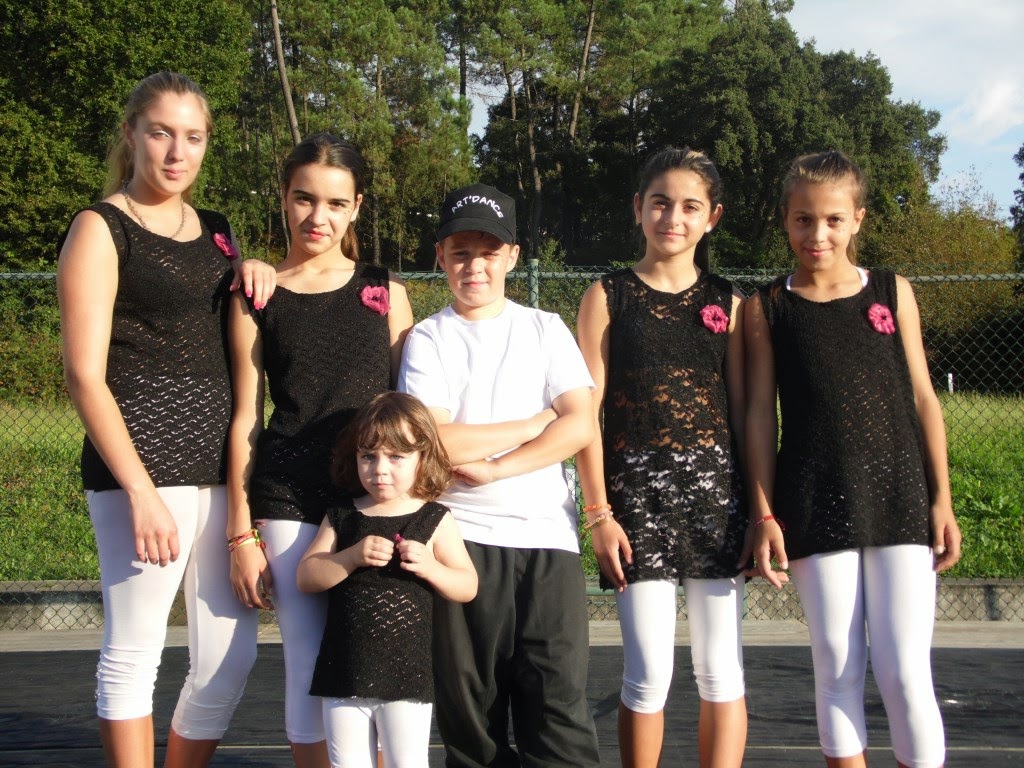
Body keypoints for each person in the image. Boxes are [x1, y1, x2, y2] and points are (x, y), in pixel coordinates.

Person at [57, 71, 278, 767]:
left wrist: (257, 268)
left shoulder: (217, 231)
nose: (177, 152)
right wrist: (140, 491)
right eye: (161, 133)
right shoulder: (100, 228)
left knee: (230, 656)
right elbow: (83, 375)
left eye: (193, 137)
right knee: (135, 647)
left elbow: (235, 324)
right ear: (132, 135)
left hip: (222, 471)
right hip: (140, 473)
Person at [745, 150, 962, 768]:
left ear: (858, 219)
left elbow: (924, 398)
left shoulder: (893, 290)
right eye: (803, 219)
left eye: (833, 219)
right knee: (837, 667)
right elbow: (759, 414)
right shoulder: (767, 306)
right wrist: (764, 513)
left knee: (905, 672)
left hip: (898, 497)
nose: (818, 234)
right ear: (785, 220)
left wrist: (941, 499)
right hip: (813, 499)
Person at [225, 132, 414, 767]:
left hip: (374, 491)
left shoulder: (384, 290)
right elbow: (246, 418)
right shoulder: (257, 292)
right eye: (304, 199)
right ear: (284, 198)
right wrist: (240, 533)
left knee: (376, 657)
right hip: (290, 495)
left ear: (356, 207)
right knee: (307, 661)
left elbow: (409, 408)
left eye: (335, 203)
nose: (318, 217)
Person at [397, 183, 601, 768]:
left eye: (489, 252)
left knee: (559, 714)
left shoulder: (545, 327)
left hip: (547, 540)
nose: (474, 266)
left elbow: (580, 424)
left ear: (512, 256)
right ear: (441, 256)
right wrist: (535, 422)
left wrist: (496, 468)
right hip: (458, 542)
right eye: (460, 252)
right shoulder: (428, 338)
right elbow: (435, 441)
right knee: (473, 723)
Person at [575, 146, 749, 768]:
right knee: (648, 673)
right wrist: (598, 513)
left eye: (689, 206)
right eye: (660, 203)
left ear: (712, 217)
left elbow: (746, 413)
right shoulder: (607, 295)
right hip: (635, 508)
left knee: (720, 671)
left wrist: (758, 511)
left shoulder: (731, 301)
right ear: (638, 209)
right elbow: (585, 415)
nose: (673, 217)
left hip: (717, 506)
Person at [296, 392, 478, 768]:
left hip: (406, 677)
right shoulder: (342, 515)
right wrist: (349, 557)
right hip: (343, 672)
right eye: (368, 456)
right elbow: (307, 576)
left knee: (407, 762)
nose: (380, 469)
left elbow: (467, 585)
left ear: (422, 457)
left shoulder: (433, 518)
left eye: (396, 457)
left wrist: (430, 566)